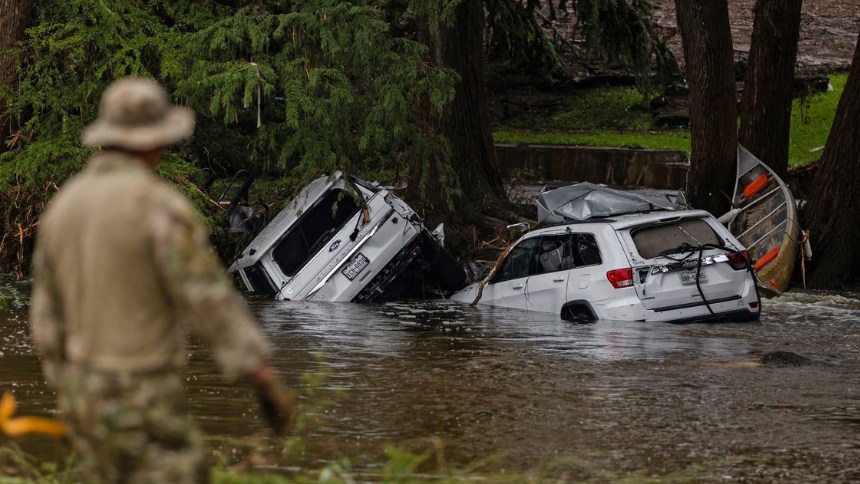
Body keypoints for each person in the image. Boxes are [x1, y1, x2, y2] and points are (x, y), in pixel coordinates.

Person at [28, 77, 292, 483]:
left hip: (80, 388)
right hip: (142, 389)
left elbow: (45, 317)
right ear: (154, 142)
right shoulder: (157, 206)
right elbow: (205, 298)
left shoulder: (64, 207)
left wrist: (67, 385)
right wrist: (258, 371)